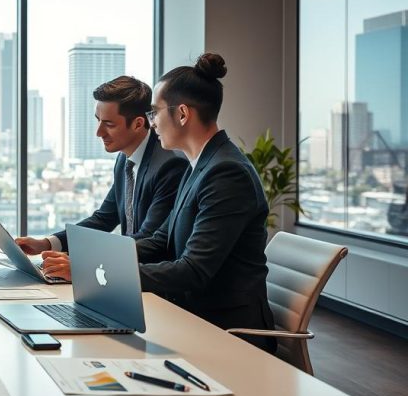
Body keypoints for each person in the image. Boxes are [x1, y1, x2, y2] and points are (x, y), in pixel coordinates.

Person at [43, 54, 277, 353]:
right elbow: (160, 241)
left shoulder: (225, 172)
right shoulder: (201, 165)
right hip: (190, 317)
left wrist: (92, 271)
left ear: (182, 114)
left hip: (223, 332)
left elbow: (193, 270)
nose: (151, 123)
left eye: (154, 113)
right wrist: (90, 264)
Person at [16, 76, 187, 260]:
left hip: (150, 279)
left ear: (138, 123)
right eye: (98, 120)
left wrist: (81, 262)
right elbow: (104, 219)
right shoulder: (124, 159)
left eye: (109, 124)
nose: (99, 132)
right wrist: (47, 243)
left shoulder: (169, 166)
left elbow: (148, 239)